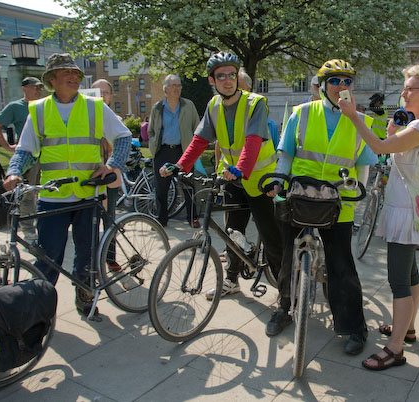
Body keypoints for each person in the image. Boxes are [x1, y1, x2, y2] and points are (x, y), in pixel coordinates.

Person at [2, 53, 132, 317]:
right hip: (53, 197)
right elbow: (26, 150)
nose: (73, 77)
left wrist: (112, 164)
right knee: (48, 257)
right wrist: (14, 172)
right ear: (52, 80)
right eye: (66, 73)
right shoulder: (38, 110)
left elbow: (123, 137)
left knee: (86, 254)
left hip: (88, 195)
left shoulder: (95, 106)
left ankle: (85, 299)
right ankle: (39, 311)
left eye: (75, 73)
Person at [340, 65, 419, 370]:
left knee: (398, 281)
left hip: (407, 210)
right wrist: (393, 134)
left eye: (409, 88)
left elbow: (377, 148)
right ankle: (408, 329)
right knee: (411, 274)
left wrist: (354, 116)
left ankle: (395, 348)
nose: (403, 93)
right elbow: (397, 152)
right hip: (413, 206)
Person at [264, 59, 377, 353]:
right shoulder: (301, 113)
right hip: (300, 195)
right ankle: (284, 308)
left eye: (347, 81)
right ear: (322, 85)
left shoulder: (359, 119)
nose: (341, 87)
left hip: (339, 201)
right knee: (288, 257)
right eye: (335, 81)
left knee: (342, 265)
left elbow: (363, 165)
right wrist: (278, 180)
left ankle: (355, 328)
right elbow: (286, 154)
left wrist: (357, 196)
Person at [158, 51, 283, 304]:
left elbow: (253, 141)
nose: (228, 80)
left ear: (238, 77)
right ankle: (232, 281)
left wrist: (241, 168)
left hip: (260, 178)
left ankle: (286, 291)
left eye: (232, 75)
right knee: (232, 232)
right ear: (211, 80)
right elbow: (199, 140)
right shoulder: (213, 105)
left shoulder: (255, 102)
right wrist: (180, 166)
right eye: (221, 76)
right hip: (231, 177)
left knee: (270, 236)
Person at [148, 74, 201, 227]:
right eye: (173, 85)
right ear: (165, 89)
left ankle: (193, 218)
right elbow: (150, 131)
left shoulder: (188, 105)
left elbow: (197, 127)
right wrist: (154, 147)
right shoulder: (157, 108)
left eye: (179, 85)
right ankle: (162, 220)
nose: (177, 88)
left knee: (189, 186)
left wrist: (192, 148)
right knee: (161, 189)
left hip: (183, 151)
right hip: (163, 151)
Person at [0, 76, 44, 240]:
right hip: (28, 157)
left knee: (43, 192)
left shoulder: (43, 106)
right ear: (24, 88)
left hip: (46, 157)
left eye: (39, 88)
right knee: (27, 194)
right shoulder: (15, 107)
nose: (38, 91)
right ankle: (29, 230)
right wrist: (7, 147)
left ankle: (42, 225)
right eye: (34, 87)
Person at [92, 79, 122, 272]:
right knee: (90, 221)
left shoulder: (115, 120)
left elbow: (119, 147)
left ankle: (110, 258)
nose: (102, 96)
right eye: (97, 92)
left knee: (109, 218)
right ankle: (93, 260)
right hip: (90, 179)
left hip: (110, 178)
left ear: (111, 96)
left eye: (106, 92)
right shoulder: (85, 118)